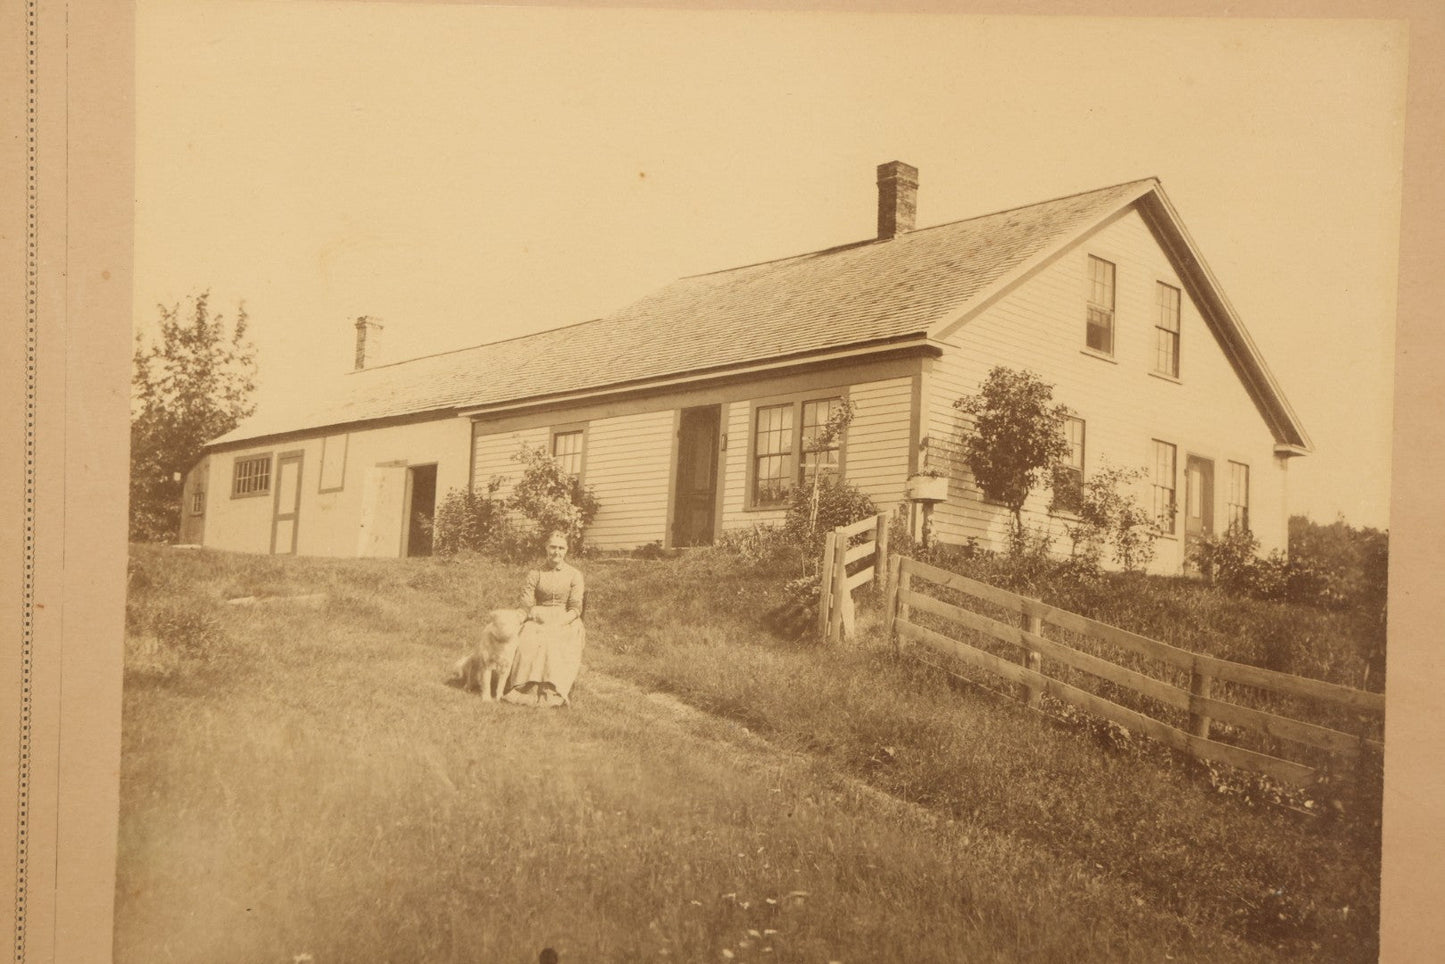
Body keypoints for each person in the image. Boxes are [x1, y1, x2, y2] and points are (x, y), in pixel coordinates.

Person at [502, 530, 586, 707]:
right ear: (546, 548)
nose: (556, 552)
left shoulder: (574, 575)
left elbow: (576, 607)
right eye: (553, 547)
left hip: (566, 620)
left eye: (561, 548)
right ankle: (524, 690)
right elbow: (526, 604)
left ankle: (552, 691)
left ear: (567, 550)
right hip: (538, 616)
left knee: (553, 639)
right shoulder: (535, 573)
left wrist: (560, 622)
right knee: (528, 636)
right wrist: (519, 617)